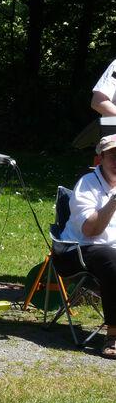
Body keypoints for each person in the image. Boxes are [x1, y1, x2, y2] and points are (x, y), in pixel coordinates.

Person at [53, 133, 116, 359]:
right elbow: (91, 231)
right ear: (100, 159)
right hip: (76, 252)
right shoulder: (87, 185)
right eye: (113, 156)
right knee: (112, 259)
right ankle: (113, 336)